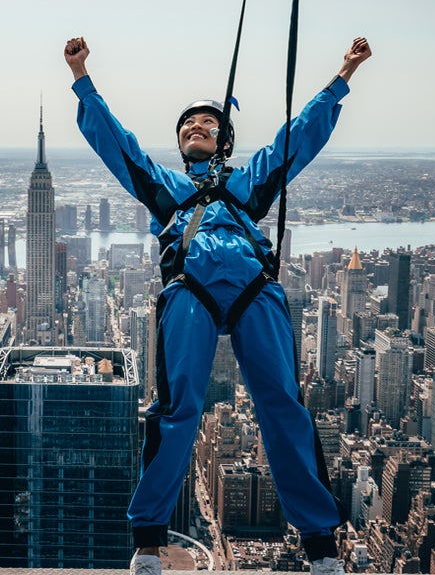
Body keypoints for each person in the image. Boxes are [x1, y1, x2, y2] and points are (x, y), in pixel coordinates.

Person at [64, 35, 371, 575]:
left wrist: (342, 76)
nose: (195, 129)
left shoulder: (248, 187)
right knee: (178, 407)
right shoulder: (166, 189)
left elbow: (294, 141)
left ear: (223, 141)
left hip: (256, 290)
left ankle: (321, 546)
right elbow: (121, 148)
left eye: (207, 125)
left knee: (283, 406)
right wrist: (83, 80)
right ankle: (149, 544)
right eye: (188, 126)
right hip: (191, 289)